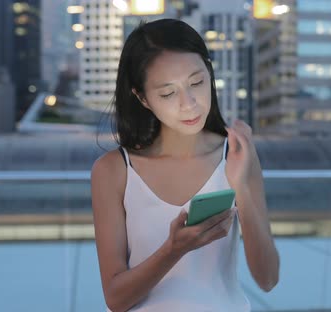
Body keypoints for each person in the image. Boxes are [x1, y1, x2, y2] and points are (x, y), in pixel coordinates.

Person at [91, 18, 280, 312]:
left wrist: (240, 187)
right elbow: (116, 299)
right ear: (142, 98)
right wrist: (174, 249)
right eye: (168, 93)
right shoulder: (113, 170)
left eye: (197, 82)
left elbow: (268, 279)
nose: (189, 102)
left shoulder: (238, 155)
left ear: (209, 72)